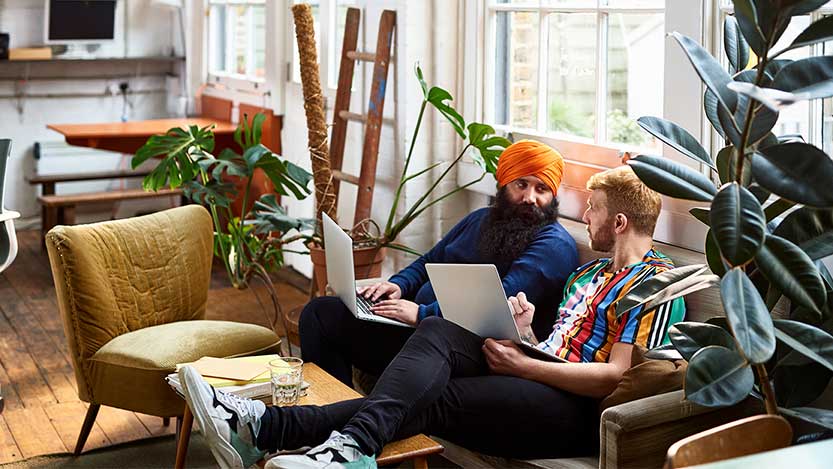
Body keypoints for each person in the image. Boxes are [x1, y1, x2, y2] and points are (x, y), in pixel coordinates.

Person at [178, 165, 686, 469]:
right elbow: (557, 340)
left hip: (572, 410)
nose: (586, 218)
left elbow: (617, 377)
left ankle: (271, 428)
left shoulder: (658, 285)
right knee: (437, 338)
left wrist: (525, 365)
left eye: (592, 210)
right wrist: (526, 330)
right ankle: (322, 444)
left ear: (619, 221)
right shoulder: (589, 275)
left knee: (429, 390)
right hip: (535, 371)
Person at [300, 140, 580, 386]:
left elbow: (498, 304)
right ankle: (329, 411)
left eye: (541, 189)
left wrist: (421, 313)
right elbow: (429, 261)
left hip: (468, 348)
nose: (530, 198)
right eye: (521, 184)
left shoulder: (553, 245)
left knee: (334, 324)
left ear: (553, 195)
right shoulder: (480, 219)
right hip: (423, 328)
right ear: (503, 185)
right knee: (319, 313)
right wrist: (398, 286)